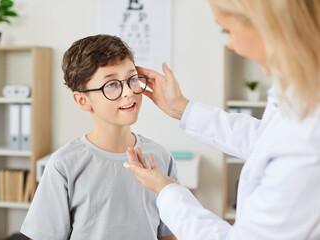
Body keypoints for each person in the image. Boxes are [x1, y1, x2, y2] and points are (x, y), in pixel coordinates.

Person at [124, 0, 320, 239]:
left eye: (228, 30)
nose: (231, 44)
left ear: (268, 25)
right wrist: (181, 109)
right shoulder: (299, 94)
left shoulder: (308, 138)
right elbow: (266, 140)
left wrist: (166, 191)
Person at [20, 34, 178, 240]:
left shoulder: (160, 157)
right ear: (83, 101)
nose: (128, 92)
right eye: (111, 84)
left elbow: (169, 235)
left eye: (132, 79)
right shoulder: (64, 165)